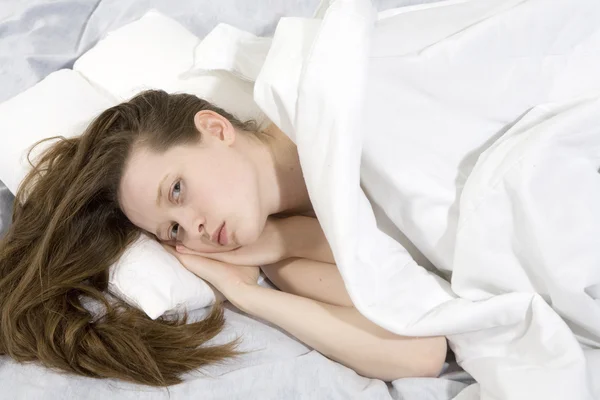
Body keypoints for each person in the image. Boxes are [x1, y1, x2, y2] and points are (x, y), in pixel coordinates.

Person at [0, 89, 447, 387]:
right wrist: (246, 292)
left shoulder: (323, 96)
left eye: (177, 189)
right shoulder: (278, 253)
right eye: (171, 229)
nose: (192, 227)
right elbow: (422, 352)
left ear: (215, 129)